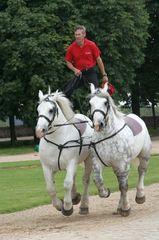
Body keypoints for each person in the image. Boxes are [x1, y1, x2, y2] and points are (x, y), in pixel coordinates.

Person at [64, 25, 109, 97]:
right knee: (67, 92)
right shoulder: (71, 47)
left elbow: (98, 59)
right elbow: (68, 62)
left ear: (84, 34)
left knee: (96, 92)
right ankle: (66, 107)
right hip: (79, 73)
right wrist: (75, 69)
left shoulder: (91, 45)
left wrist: (104, 75)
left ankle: (96, 107)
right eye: (76, 35)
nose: (77, 36)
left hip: (90, 72)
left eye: (79, 34)